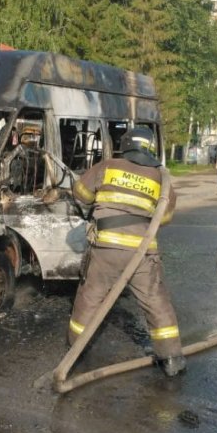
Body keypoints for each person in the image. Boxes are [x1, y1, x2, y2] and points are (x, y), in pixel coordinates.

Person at [69, 128, 185, 377]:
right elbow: (164, 217)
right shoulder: (160, 177)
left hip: (106, 249)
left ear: (125, 145)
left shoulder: (108, 166)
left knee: (90, 298)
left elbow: (81, 193)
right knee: (156, 303)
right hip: (142, 254)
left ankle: (74, 351)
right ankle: (172, 358)